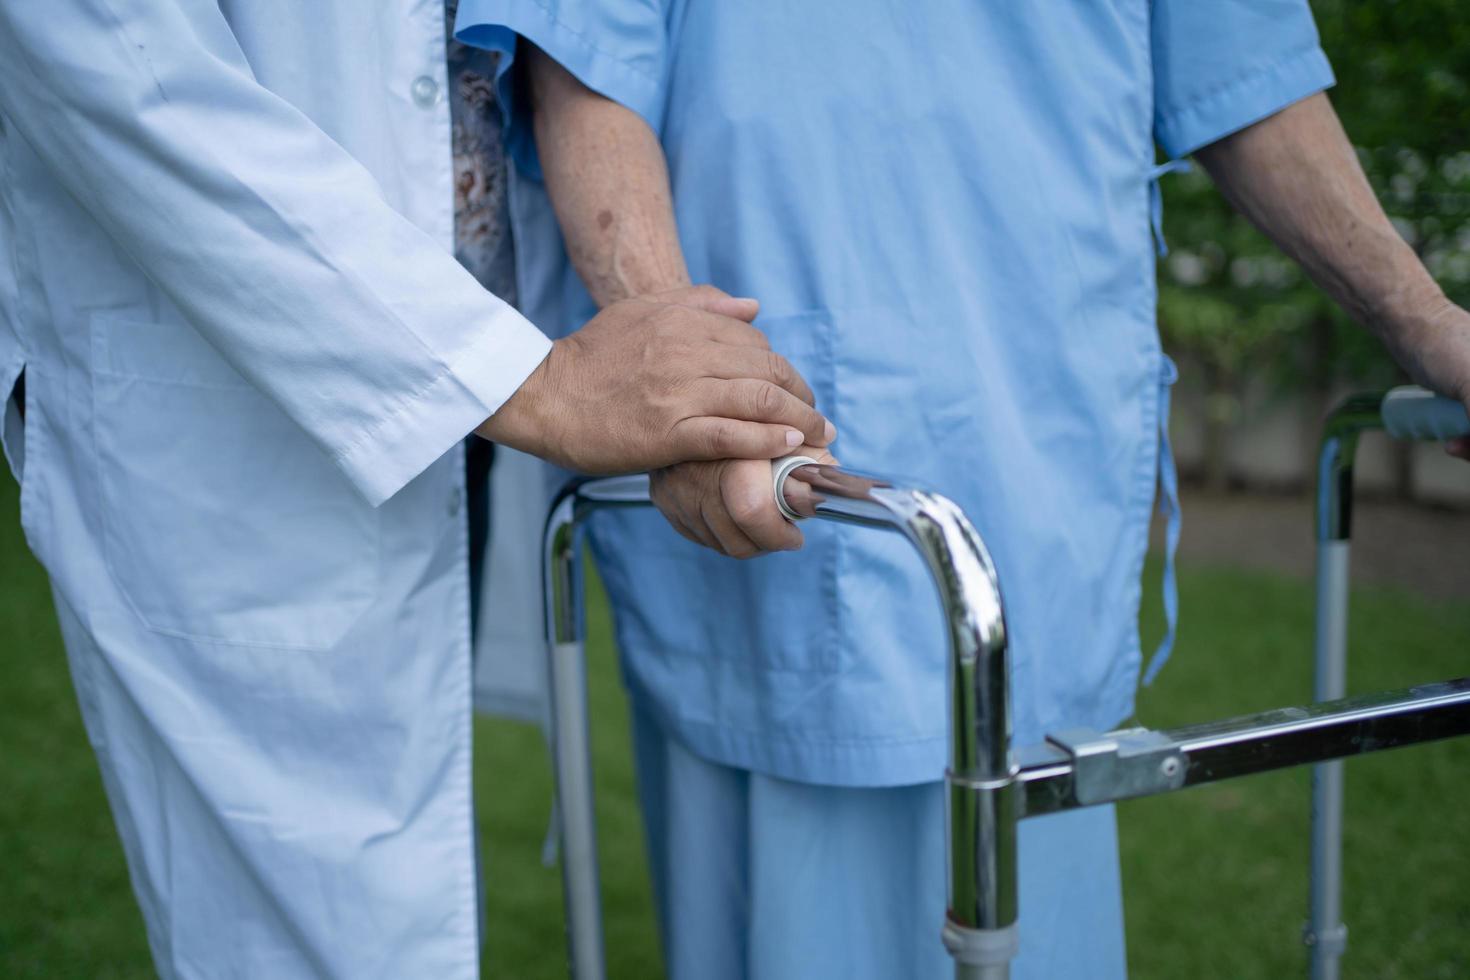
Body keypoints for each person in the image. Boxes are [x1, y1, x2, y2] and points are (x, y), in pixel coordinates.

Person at [455, 2, 1470, 977]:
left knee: (1034, 886)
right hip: (769, 478)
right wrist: (682, 378)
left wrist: (1430, 327)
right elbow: (586, 62)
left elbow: (1240, 68)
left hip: (1035, 468)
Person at [0, 3, 836, 978]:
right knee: (309, 934)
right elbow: (118, 57)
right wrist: (535, 381)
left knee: (403, 886)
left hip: (471, 350)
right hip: (244, 383)